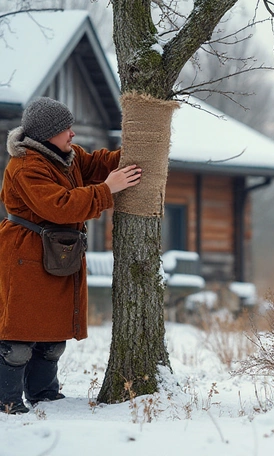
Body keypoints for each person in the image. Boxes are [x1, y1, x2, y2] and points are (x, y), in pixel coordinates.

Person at [0, 97, 141, 414]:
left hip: (56, 253)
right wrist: (107, 189)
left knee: (51, 336)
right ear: (47, 134)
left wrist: (137, 151)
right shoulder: (24, 166)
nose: (73, 134)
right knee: (18, 338)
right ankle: (6, 399)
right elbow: (59, 206)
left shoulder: (67, 156)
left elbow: (96, 164)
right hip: (24, 255)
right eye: (66, 129)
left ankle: (43, 393)